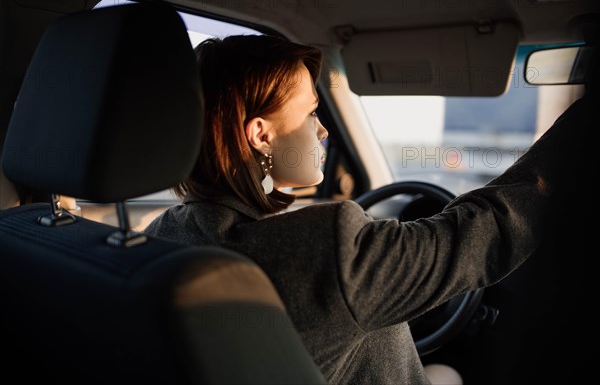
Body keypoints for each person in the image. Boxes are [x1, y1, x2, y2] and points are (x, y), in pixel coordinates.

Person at [144, 34, 592, 384]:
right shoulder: (330, 253)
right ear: (261, 134)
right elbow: (487, 230)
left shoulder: (160, 238)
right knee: (453, 372)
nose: (321, 131)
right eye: (310, 114)